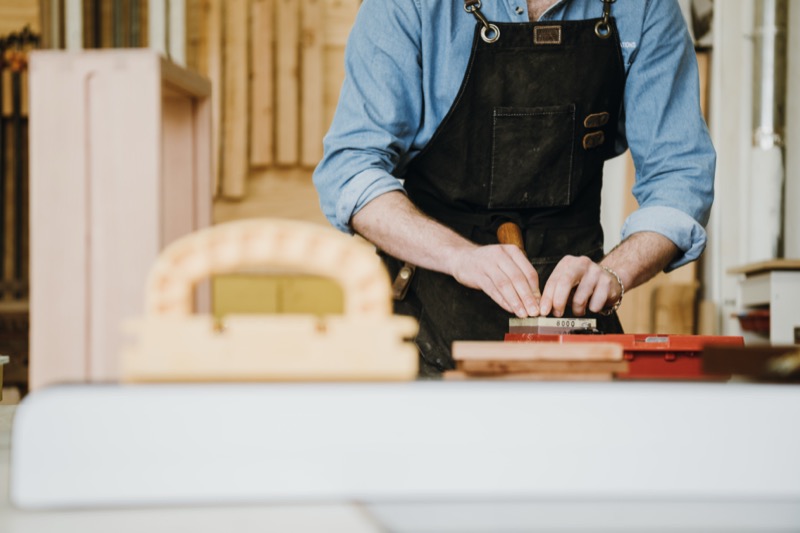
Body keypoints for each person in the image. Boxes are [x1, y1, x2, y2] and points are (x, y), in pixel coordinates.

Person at [313, 0, 715, 375]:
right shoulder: (408, 6)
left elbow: (679, 174)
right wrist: (459, 257)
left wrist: (614, 272)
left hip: (574, 324)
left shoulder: (644, 8)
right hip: (427, 319)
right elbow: (351, 169)